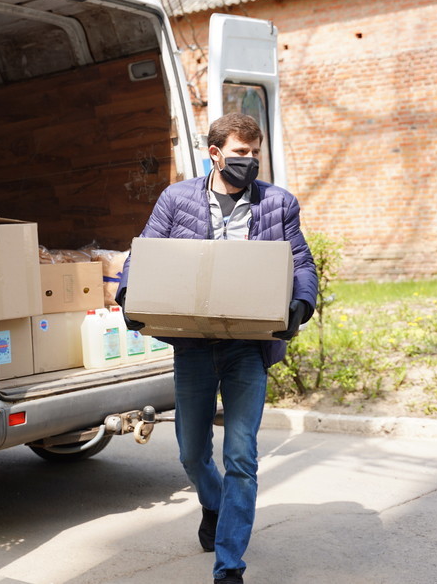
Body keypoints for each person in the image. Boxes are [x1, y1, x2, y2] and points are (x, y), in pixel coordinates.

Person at [116, 113, 318, 584]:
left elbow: (301, 261)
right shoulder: (177, 199)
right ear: (215, 153)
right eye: (240, 152)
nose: (249, 160)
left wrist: (299, 305)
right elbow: (146, 252)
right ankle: (215, 503)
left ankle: (229, 567)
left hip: (247, 348)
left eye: (254, 152)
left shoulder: (277, 203)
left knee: (241, 456)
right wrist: (129, 294)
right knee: (191, 453)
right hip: (192, 346)